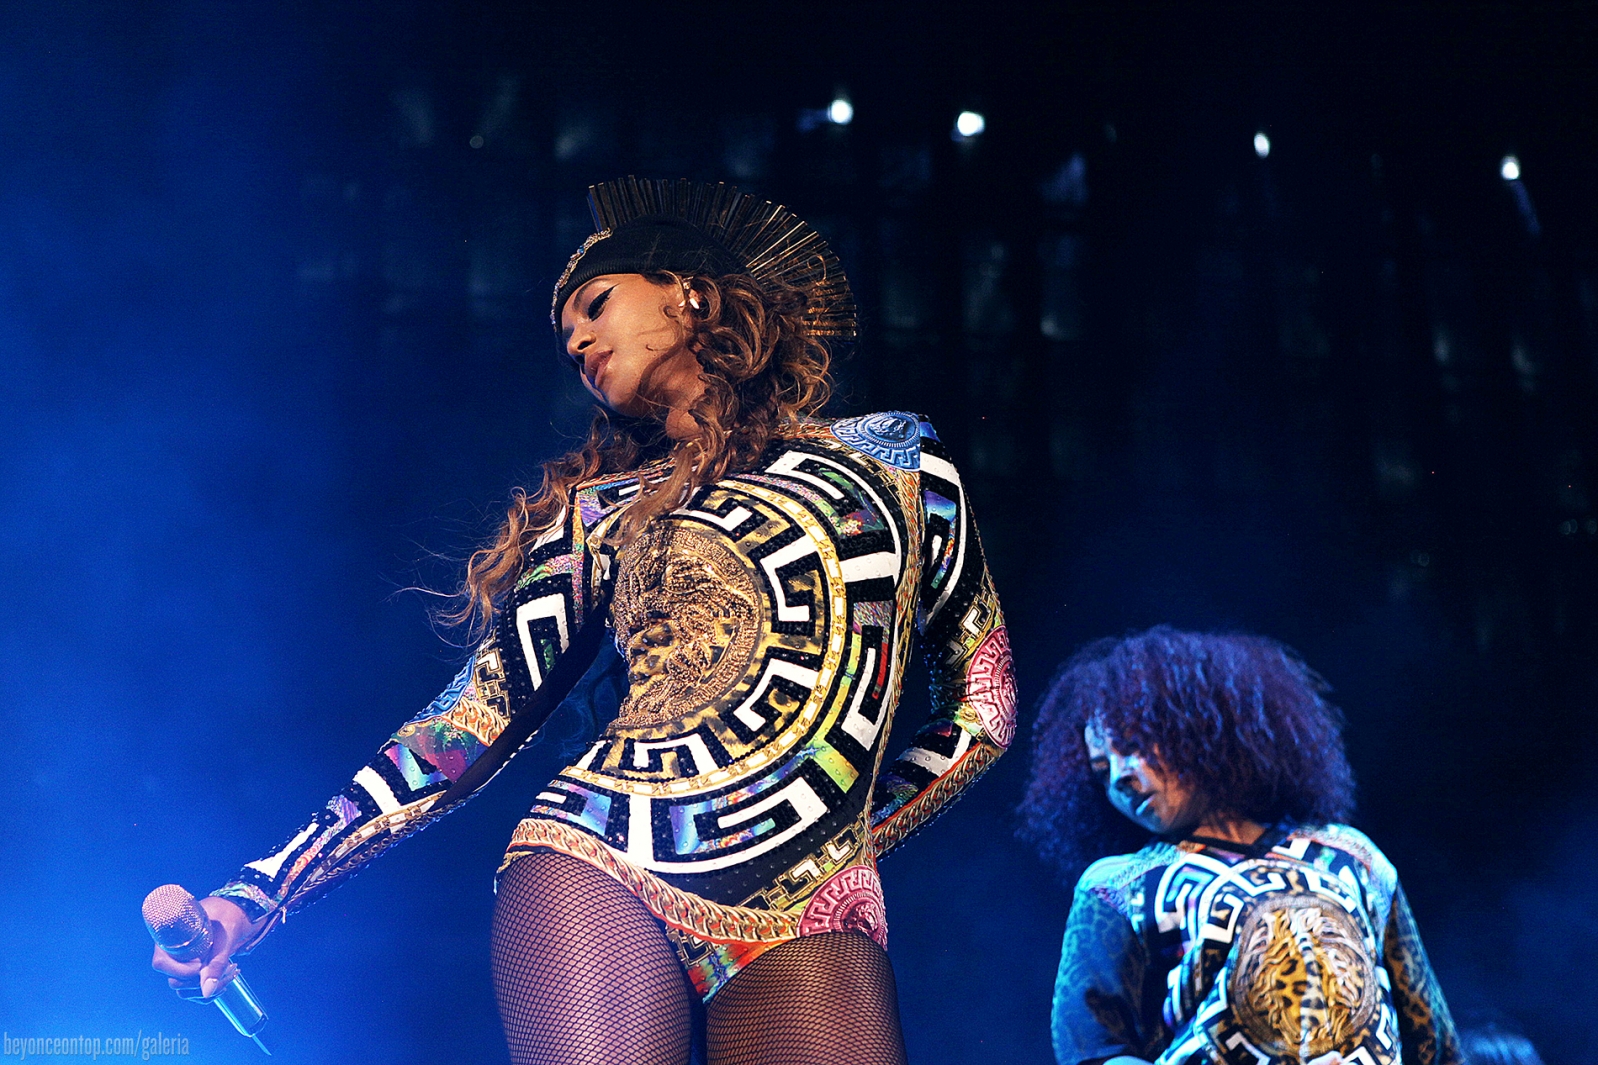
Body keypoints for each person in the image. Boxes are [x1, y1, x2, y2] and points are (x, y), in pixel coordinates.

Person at [150, 177, 1016, 1065]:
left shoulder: (899, 459)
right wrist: (261, 890)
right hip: (601, 859)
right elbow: (468, 721)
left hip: (814, 908)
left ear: (693, 293)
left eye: (597, 305)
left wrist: (849, 833)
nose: (577, 338)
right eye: (567, 337)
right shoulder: (603, 512)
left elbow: (984, 709)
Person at [1018, 626, 1460, 1065]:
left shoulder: (1354, 859)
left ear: (1197, 726)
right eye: (1100, 770)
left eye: (1132, 746)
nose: (1119, 776)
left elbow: (1430, 1036)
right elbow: (1094, 1050)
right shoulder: (1117, 887)